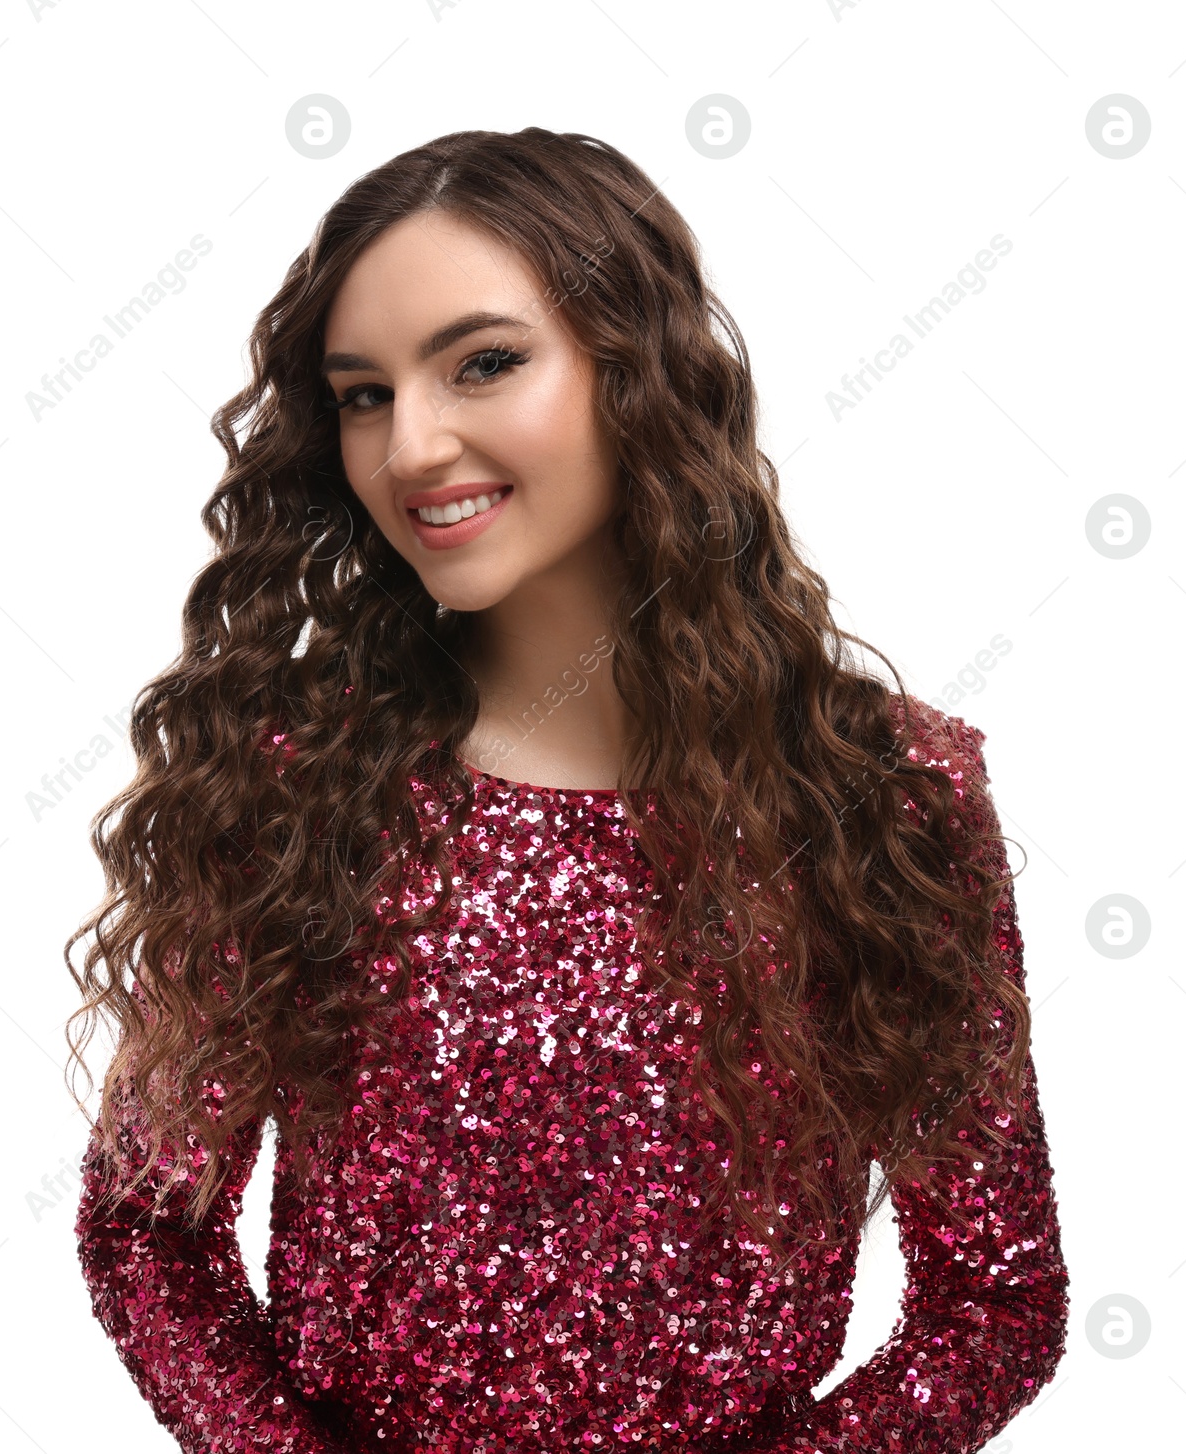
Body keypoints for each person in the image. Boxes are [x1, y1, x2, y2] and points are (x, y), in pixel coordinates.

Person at [66, 127, 1069, 1453]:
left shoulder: (880, 796)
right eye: (363, 393)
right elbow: (148, 1233)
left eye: (484, 363)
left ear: (635, 369)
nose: (413, 444)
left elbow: (992, 1302)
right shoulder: (297, 786)